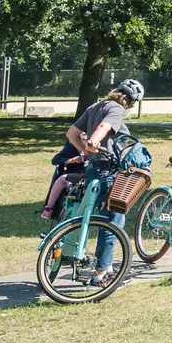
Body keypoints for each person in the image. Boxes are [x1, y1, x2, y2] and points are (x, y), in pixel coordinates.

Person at [63, 79, 145, 286]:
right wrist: (94, 141)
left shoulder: (95, 106)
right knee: (113, 219)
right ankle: (102, 273)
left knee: (100, 216)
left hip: (93, 170)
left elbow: (71, 133)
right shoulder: (116, 109)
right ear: (131, 102)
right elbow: (104, 126)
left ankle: (105, 266)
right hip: (110, 171)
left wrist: (85, 150)